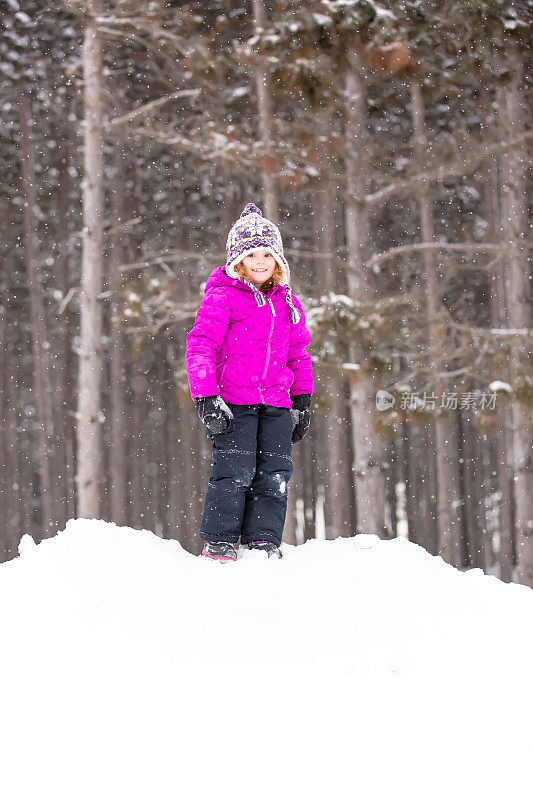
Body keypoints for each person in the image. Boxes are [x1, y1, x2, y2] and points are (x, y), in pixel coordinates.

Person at [185, 202, 314, 562]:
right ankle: (220, 540)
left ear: (278, 260)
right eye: (252, 254)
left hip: (276, 403)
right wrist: (206, 397)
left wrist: (302, 399)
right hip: (233, 403)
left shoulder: (288, 303)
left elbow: (298, 355)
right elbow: (200, 345)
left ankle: (262, 539)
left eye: (267, 254)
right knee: (235, 470)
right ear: (238, 259)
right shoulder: (222, 296)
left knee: (274, 472)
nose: (260, 262)